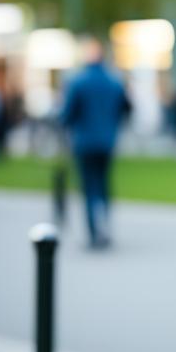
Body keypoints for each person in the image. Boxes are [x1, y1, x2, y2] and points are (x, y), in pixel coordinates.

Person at [60, 38, 131, 249]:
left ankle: (94, 232)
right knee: (103, 183)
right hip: (107, 140)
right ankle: (105, 224)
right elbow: (126, 108)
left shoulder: (78, 81)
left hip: (84, 141)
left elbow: (67, 114)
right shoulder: (114, 81)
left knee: (89, 186)